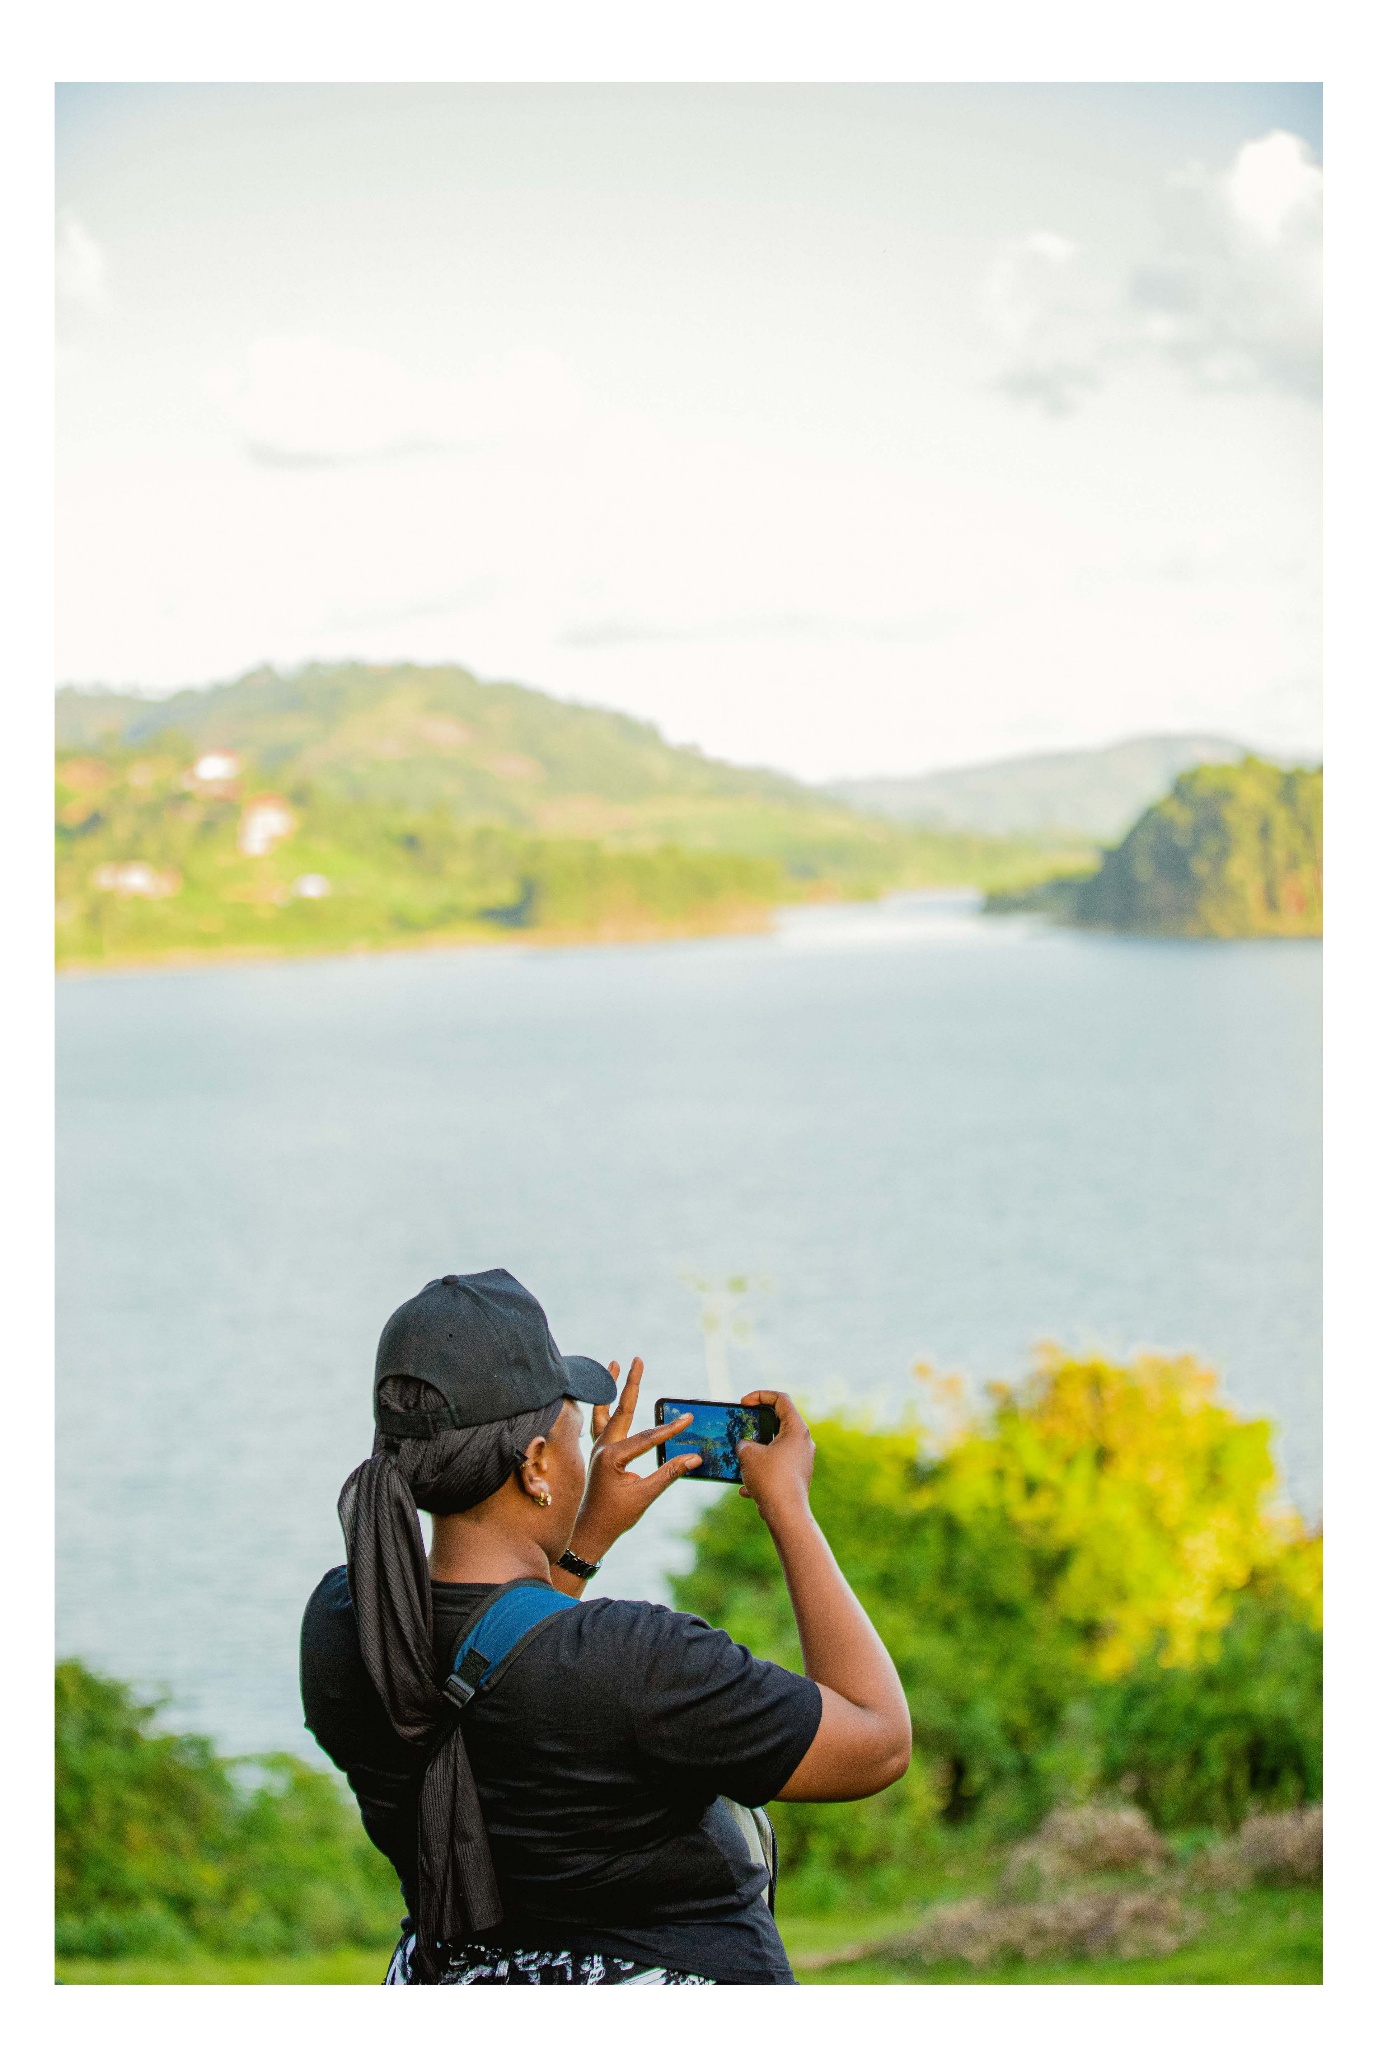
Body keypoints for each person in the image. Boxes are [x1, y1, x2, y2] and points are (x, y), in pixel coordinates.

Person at [300, 1269, 911, 1986]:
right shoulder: (636, 1660)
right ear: (535, 1465)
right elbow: (876, 1741)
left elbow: (487, 1668)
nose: (584, 1444)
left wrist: (582, 1538)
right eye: (572, 1428)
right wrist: (790, 1509)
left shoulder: (344, 1628)